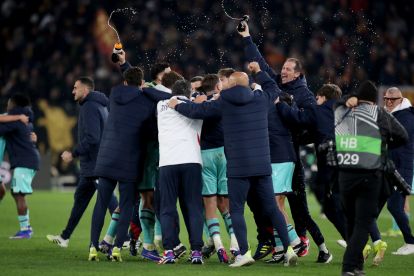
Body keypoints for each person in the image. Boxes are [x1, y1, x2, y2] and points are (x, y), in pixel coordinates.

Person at [169, 62, 296, 267]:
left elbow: (196, 111)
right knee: (272, 207)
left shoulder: (224, 101)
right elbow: (273, 87)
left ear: (231, 85)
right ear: (248, 84)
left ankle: (243, 253)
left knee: (235, 210)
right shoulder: (261, 99)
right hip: (262, 164)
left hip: (238, 166)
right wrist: (259, 73)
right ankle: (288, 249)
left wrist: (178, 105)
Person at [239, 20, 326, 260]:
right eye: (284, 68)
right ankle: (282, 245)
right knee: (274, 201)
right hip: (274, 151)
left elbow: (310, 121)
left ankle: (305, 242)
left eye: (289, 69)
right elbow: (263, 66)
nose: (284, 71)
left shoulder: (304, 95)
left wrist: (293, 127)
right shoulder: (276, 84)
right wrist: (247, 37)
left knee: (297, 206)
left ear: (299, 74)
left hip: (291, 153)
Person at [335, 81, 408, 275]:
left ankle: (357, 266)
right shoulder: (379, 114)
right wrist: (382, 145)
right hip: (369, 175)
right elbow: (402, 136)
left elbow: (332, 103)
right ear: (376, 100)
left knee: (351, 222)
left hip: (345, 175)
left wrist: (345, 100)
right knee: (362, 223)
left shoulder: (344, 112)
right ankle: (349, 267)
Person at [88, 66, 156, 262]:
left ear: (125, 82)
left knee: (101, 203)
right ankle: (117, 248)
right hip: (131, 160)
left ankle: (93, 246)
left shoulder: (115, 93)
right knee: (126, 204)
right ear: (142, 83)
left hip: (108, 157)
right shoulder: (147, 101)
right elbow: (151, 132)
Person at [46, 77, 118, 248]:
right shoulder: (100, 105)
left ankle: (128, 237)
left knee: (109, 200)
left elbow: (93, 138)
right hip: (91, 166)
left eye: (76, 88)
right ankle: (65, 237)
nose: (73, 91)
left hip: (95, 165)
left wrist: (73, 153)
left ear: (85, 90)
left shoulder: (89, 107)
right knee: (80, 200)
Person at [156, 80, 204, 265]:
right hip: (191, 160)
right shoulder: (196, 106)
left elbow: (160, 96)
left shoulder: (161, 105)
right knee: (193, 206)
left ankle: (169, 251)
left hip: (168, 162)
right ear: (189, 92)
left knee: (167, 207)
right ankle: (196, 252)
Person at [193, 74, 238, 263]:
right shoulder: (225, 100)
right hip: (223, 154)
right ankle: (235, 244)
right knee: (225, 204)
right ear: (217, 87)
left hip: (205, 155)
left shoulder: (198, 104)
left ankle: (219, 245)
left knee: (210, 203)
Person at [0, 94, 40, 239]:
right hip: (28, 161)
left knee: (18, 194)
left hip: (24, 162)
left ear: (14, 106)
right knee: (15, 193)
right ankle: (26, 228)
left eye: (9, 103)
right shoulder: (24, 120)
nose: (7, 106)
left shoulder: (16, 122)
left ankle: (25, 229)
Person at [383, 87, 414, 255]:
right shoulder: (394, 115)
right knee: (371, 204)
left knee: (395, 206)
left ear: (401, 100)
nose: (388, 102)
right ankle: (357, 239)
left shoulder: (407, 116)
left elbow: (397, 137)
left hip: (401, 169)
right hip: (390, 168)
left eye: (392, 99)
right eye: (386, 98)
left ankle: (410, 242)